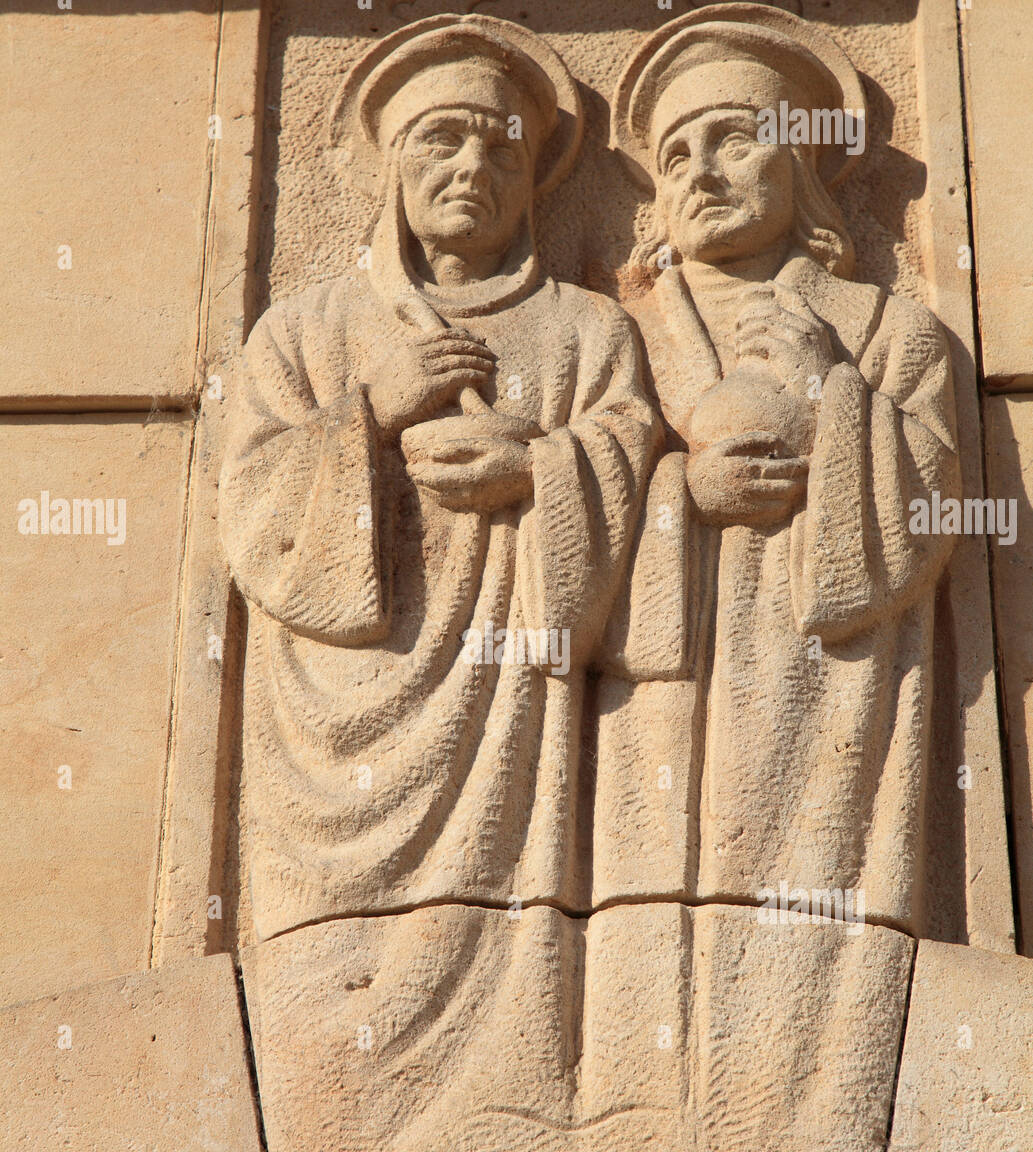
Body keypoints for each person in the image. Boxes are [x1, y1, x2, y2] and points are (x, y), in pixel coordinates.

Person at [220, 14, 660, 941]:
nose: (473, 168)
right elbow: (254, 513)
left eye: (502, 148)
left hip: (511, 710)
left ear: (534, 178)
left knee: (512, 955)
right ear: (390, 170)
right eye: (440, 139)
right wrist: (367, 413)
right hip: (337, 718)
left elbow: (632, 485)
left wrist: (539, 467)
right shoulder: (301, 333)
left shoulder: (587, 331)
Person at [603, 4, 961, 932]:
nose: (701, 173)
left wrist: (832, 388)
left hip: (822, 687)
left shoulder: (887, 327)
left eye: (732, 142)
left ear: (798, 164)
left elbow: (930, 515)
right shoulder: (611, 336)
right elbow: (551, 507)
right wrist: (682, 488)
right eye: (675, 156)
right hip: (648, 698)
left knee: (803, 933)